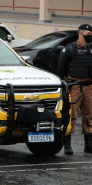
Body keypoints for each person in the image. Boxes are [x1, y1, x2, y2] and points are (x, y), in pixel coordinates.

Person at [57, 24, 92, 155]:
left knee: (89, 116)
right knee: (71, 115)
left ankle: (88, 144)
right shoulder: (70, 49)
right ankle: (67, 144)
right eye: (88, 35)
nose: (90, 37)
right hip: (75, 85)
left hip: (89, 86)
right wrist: (67, 83)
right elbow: (61, 69)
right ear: (80, 35)